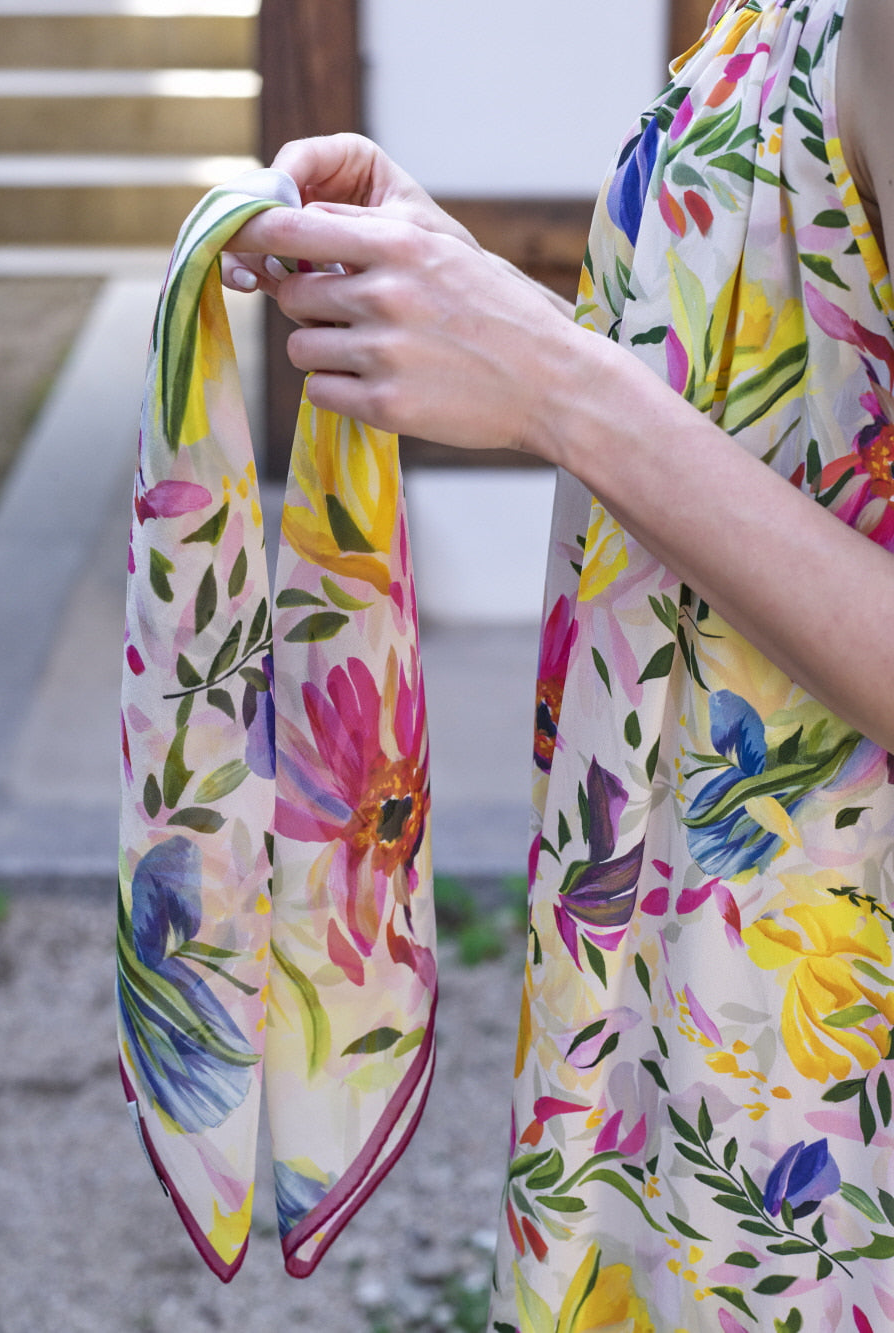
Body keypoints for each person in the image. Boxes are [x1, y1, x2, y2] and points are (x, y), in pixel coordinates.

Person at [222, 0, 894, 1327]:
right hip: (694, 990)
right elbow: (799, 401)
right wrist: (475, 311)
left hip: (815, 1041)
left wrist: (550, 382)